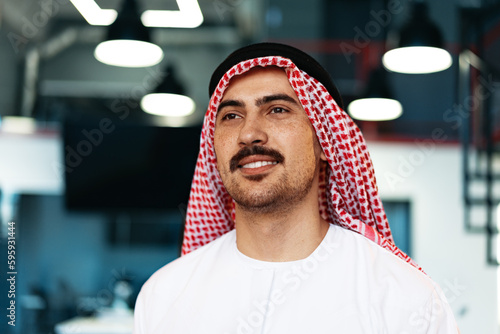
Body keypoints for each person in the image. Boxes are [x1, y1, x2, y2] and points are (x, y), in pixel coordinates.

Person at [133, 43, 458, 333]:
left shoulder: (406, 300)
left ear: (324, 140)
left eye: (277, 110)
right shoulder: (164, 295)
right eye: (231, 115)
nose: (249, 134)